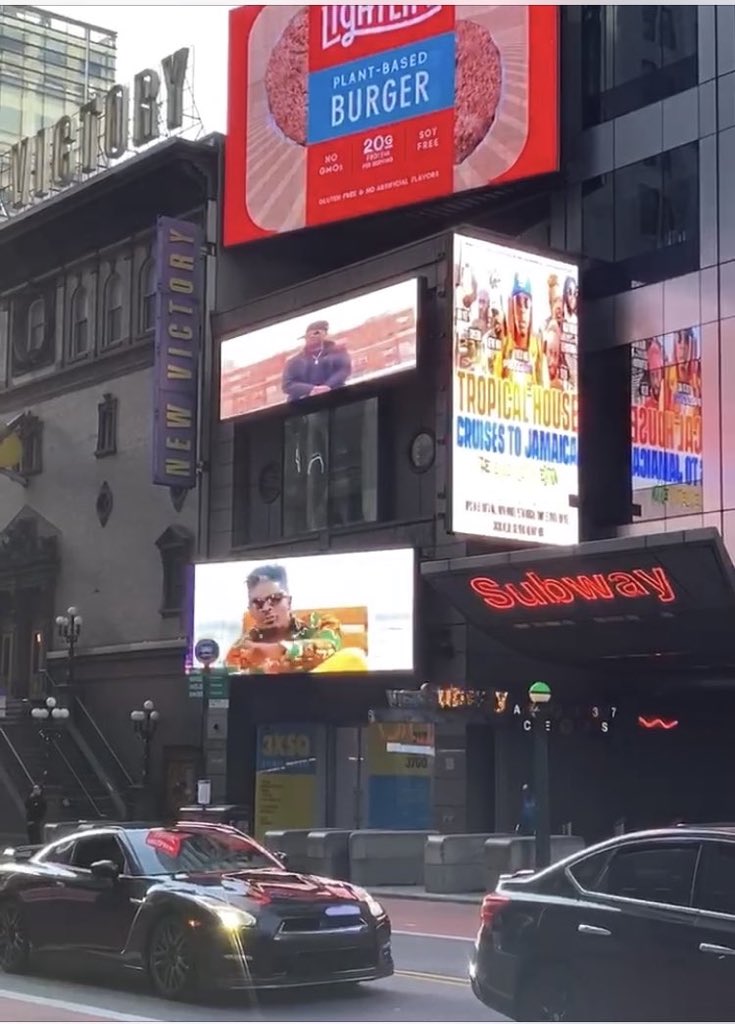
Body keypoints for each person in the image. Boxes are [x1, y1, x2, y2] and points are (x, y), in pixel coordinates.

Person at [225, 563, 367, 674]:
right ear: (251, 610)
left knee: (354, 656)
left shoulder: (319, 622)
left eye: (275, 599)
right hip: (268, 704)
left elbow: (329, 646)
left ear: (289, 602)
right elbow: (230, 672)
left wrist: (276, 650)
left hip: (319, 700)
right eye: (257, 603)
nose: (266, 608)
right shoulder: (243, 646)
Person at [281, 320, 352, 401]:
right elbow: (287, 385)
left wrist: (328, 386)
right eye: (309, 335)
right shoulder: (294, 361)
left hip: (336, 398)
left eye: (317, 334)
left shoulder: (338, 351)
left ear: (324, 335)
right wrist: (311, 389)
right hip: (305, 404)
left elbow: (344, 370)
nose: (312, 337)